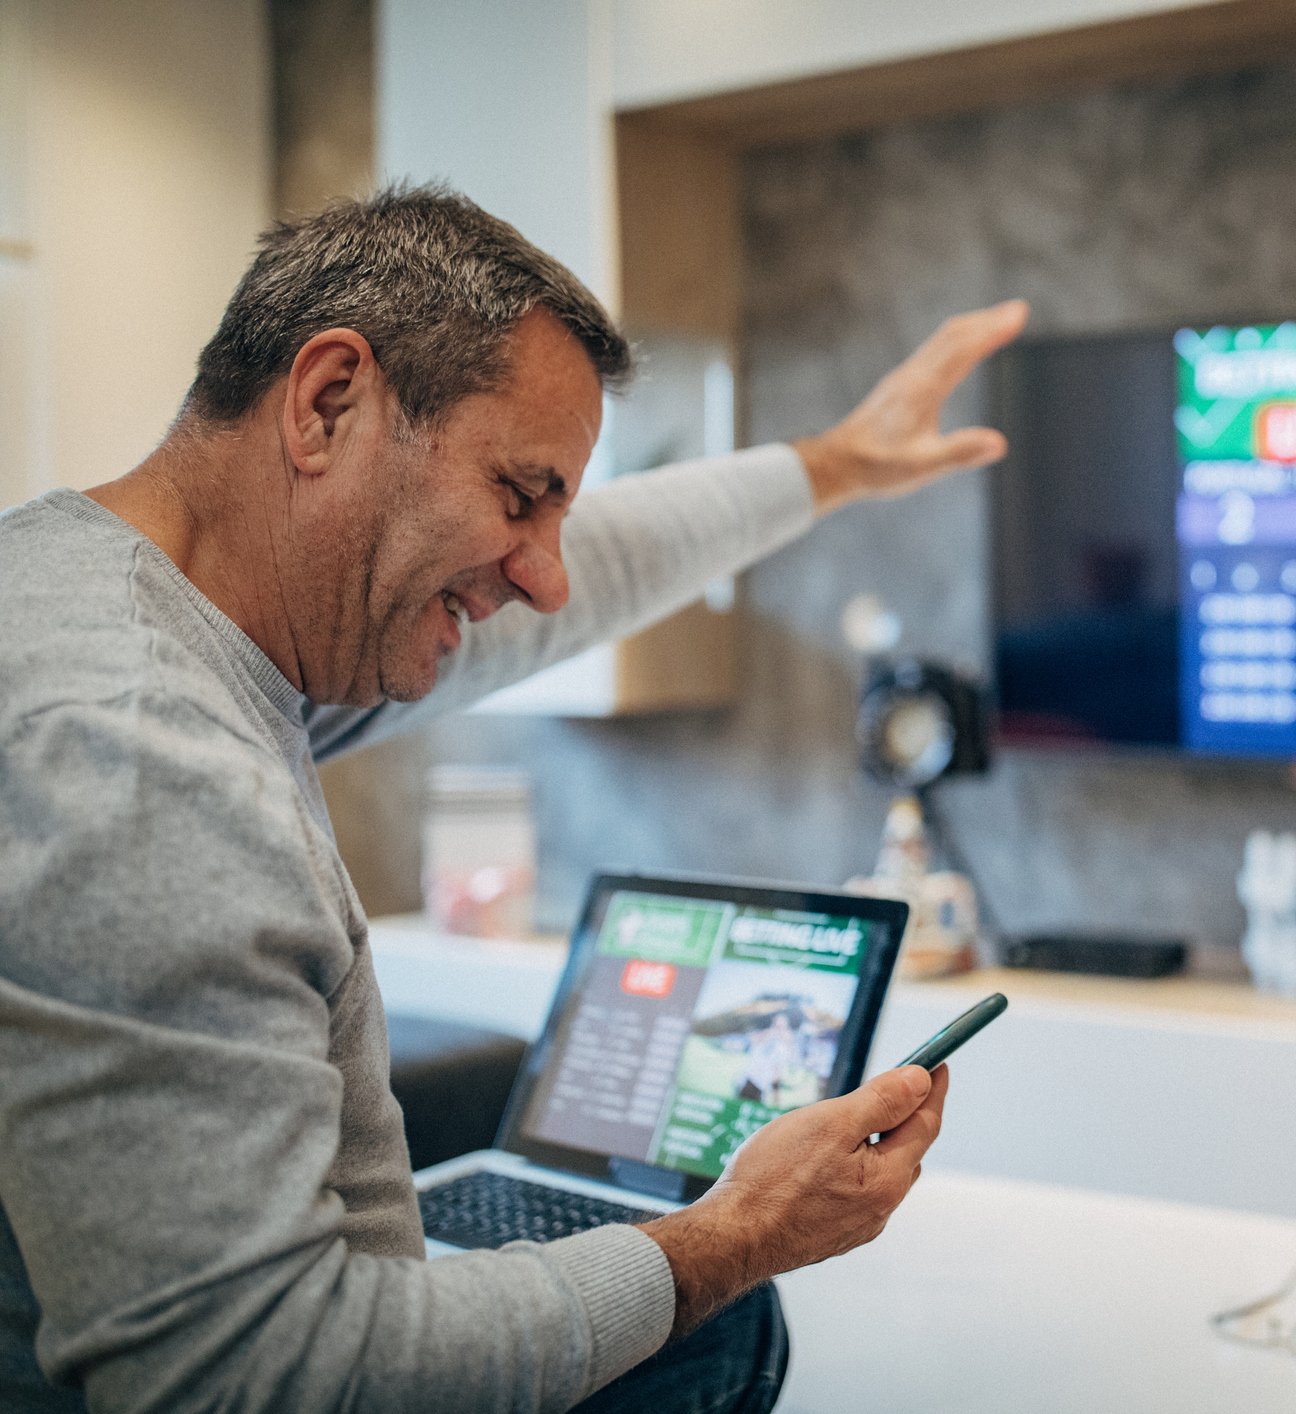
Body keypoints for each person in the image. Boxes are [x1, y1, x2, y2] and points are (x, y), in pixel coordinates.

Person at [0, 185, 1027, 1412]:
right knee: (721, 1328)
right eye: (519, 494)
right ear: (328, 403)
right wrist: (741, 1231)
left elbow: (602, 567)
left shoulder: (87, 592)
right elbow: (249, 1375)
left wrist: (835, 465)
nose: (545, 579)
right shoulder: (138, 758)